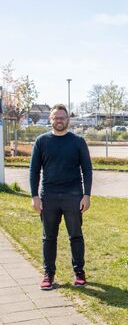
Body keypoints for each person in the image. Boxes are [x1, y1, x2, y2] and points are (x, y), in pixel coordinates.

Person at [29, 104, 93, 290]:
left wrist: (86, 195)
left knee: (75, 235)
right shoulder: (41, 142)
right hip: (48, 196)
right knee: (48, 237)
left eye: (62, 117)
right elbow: (34, 171)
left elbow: (87, 170)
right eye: (56, 117)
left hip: (73, 196)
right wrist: (35, 196)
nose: (59, 120)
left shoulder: (78, 141)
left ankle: (79, 272)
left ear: (68, 119)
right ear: (50, 119)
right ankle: (48, 274)